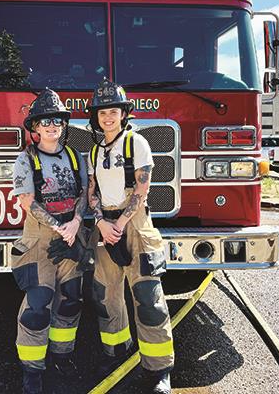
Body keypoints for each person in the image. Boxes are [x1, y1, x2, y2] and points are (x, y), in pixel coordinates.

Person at [87, 79, 173, 394]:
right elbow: (92, 192)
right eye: (102, 112)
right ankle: (116, 351)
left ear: (124, 114)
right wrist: (100, 222)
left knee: (149, 299)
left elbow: (142, 188)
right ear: (95, 116)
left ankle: (159, 369)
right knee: (106, 297)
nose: (107, 117)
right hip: (105, 226)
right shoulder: (95, 150)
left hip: (135, 225)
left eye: (113, 111)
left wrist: (120, 223)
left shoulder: (136, 143)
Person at [11, 88, 96, 394]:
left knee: (71, 299)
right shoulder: (25, 159)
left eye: (57, 121)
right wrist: (60, 228)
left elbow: (84, 197)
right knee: (38, 305)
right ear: (35, 127)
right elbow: (27, 202)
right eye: (44, 121)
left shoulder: (76, 156)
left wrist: (74, 223)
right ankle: (32, 371)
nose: (51, 126)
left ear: (63, 125)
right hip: (40, 240)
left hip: (72, 235)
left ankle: (62, 355)